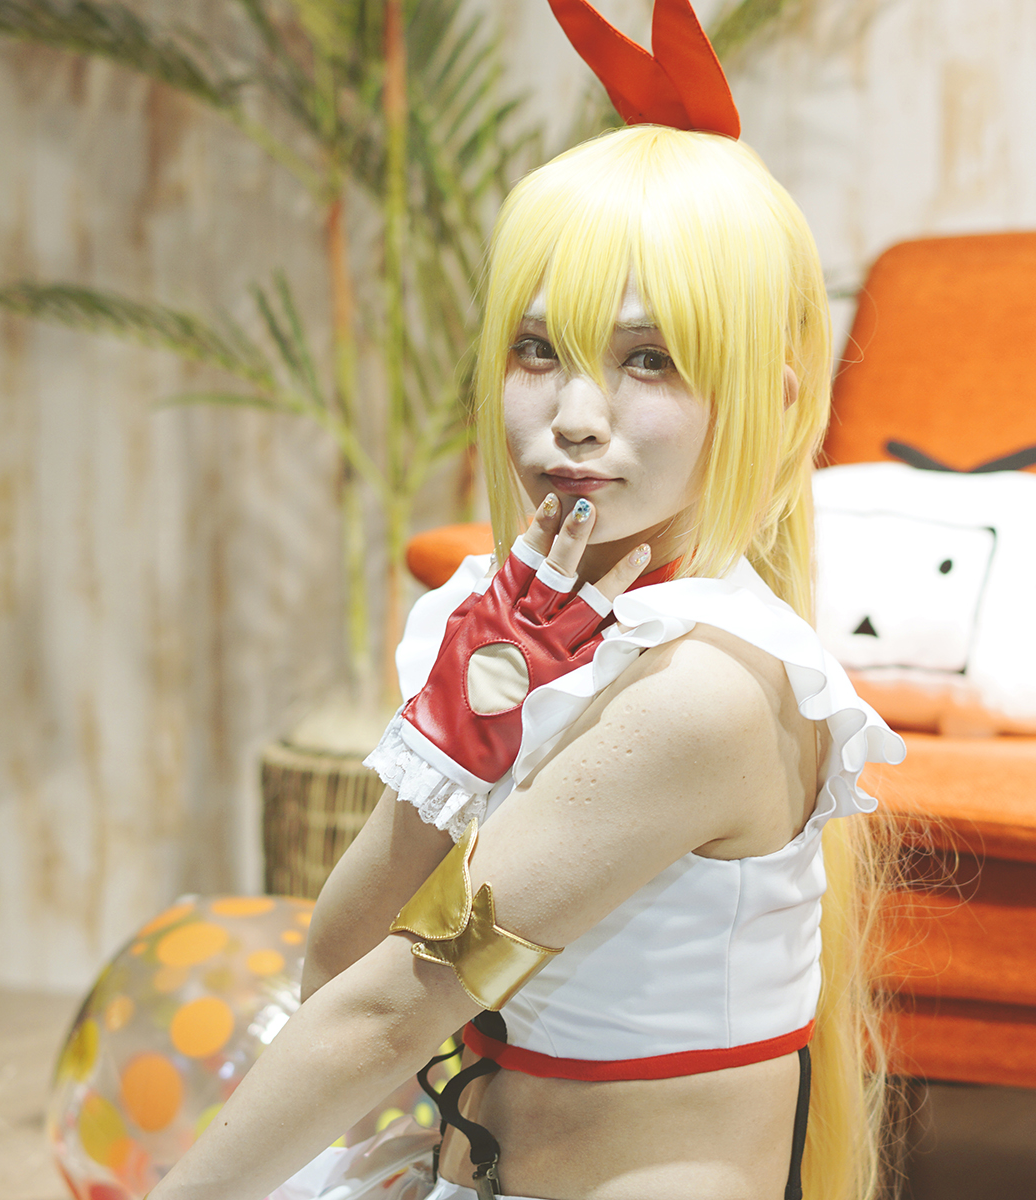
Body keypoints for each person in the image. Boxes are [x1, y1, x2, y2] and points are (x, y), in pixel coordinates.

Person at [148, 3, 904, 1198]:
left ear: (769, 397)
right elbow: (339, 972)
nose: (575, 416)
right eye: (539, 350)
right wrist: (457, 735)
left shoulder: (701, 692)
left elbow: (386, 1017)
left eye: (649, 359)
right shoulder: (555, 633)